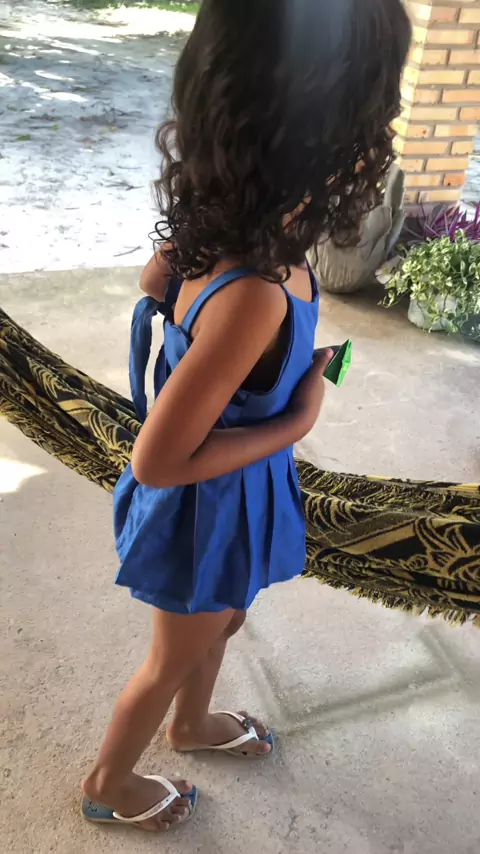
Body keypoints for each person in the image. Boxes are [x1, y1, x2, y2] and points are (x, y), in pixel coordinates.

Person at [81, 0, 411, 834]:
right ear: (332, 137)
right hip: (202, 511)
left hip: (235, 496)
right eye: (377, 111)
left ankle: (192, 726)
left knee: (225, 619)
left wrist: (250, 370)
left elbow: (155, 284)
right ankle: (107, 782)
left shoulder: (230, 232)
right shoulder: (257, 293)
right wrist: (295, 417)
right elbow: (157, 462)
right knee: (170, 657)